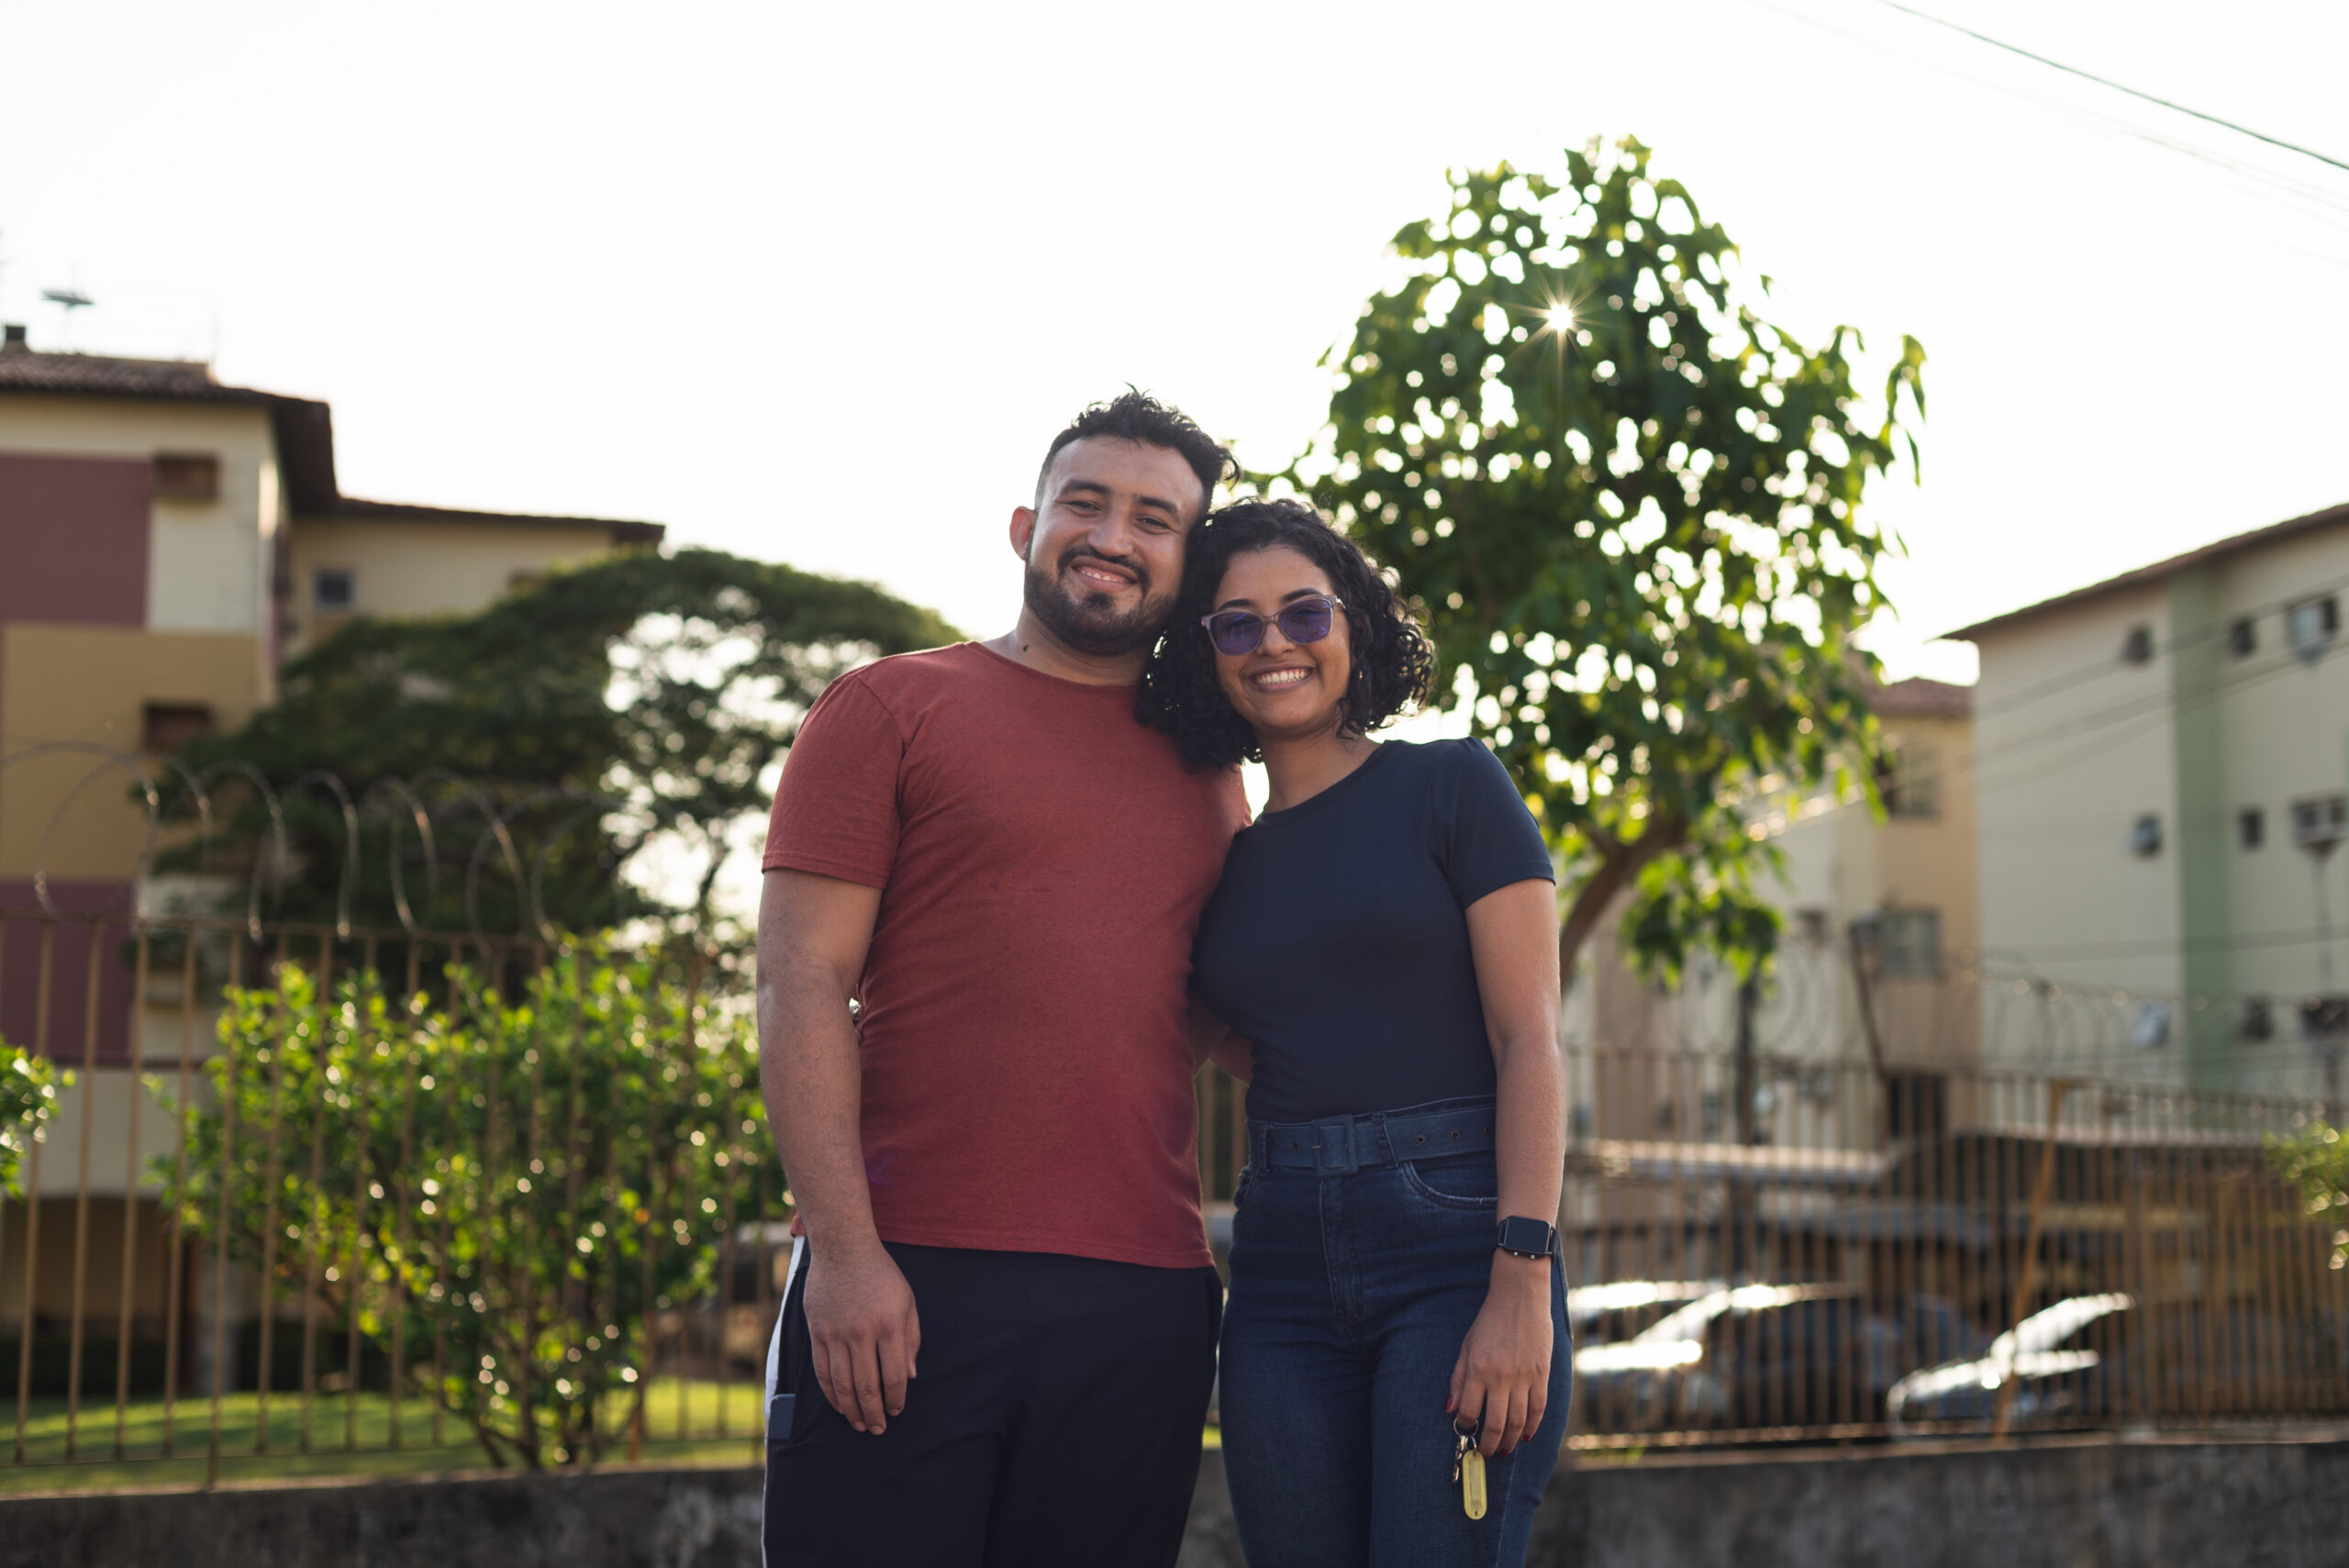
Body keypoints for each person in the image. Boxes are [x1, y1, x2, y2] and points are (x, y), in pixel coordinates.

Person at [755, 392, 1248, 1567]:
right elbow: (799, 981)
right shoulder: (889, 705)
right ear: (1026, 524)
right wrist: (848, 1253)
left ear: (1187, 563)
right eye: (1085, 502)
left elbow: (1222, 1016)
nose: (1112, 535)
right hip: (908, 1274)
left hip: (1145, 1296)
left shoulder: (1211, 766)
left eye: (1154, 518)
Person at [1138, 496, 1572, 1567]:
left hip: (1457, 1246)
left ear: (1353, 624)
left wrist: (1521, 1282)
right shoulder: (1227, 859)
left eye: (1300, 612)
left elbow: (1530, 1040)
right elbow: (1221, 1033)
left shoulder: (1450, 784)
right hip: (1280, 1258)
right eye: (1234, 624)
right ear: (1208, 658)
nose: (1273, 642)